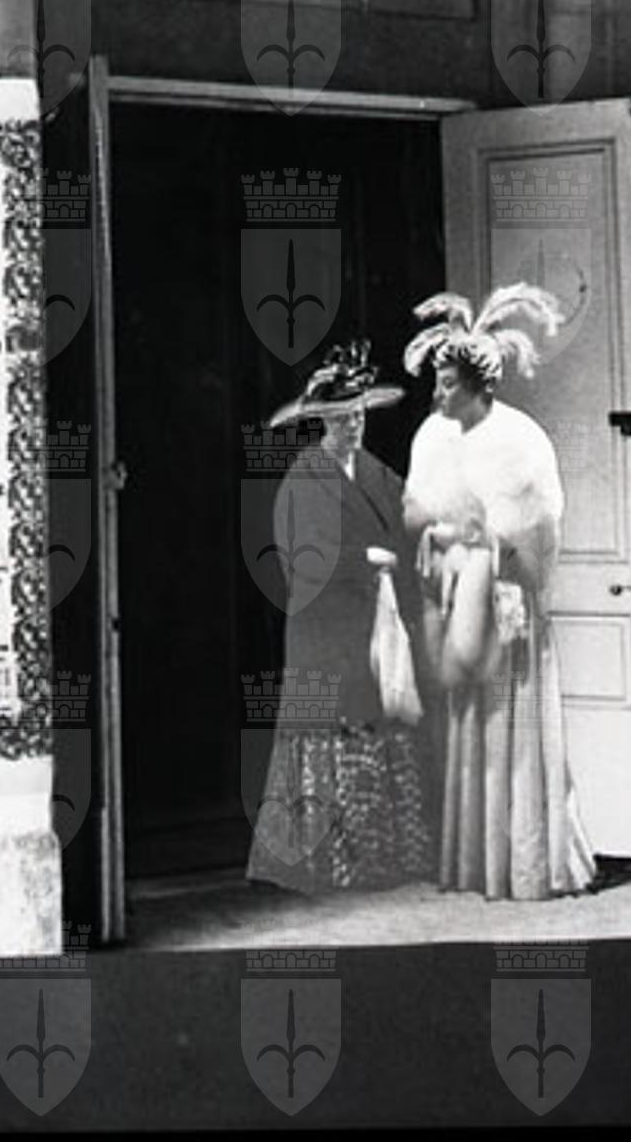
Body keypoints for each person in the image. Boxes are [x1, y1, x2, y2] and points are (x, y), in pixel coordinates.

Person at [402, 286, 598, 900]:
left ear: (478, 386)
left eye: (448, 385)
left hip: (506, 599)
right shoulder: (433, 437)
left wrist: (485, 539)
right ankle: (475, 862)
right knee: (470, 722)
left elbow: (535, 530)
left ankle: (529, 862)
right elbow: (416, 510)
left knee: (513, 720)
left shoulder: (519, 439)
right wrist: (441, 535)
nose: (438, 397)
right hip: (462, 592)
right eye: (436, 385)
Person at [245, 338, 436, 895]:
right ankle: (325, 861)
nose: (352, 426)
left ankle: (379, 857)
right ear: (321, 422)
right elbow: (300, 557)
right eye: (340, 418)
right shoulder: (305, 476)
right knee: (329, 728)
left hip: (372, 619)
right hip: (324, 627)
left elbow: (410, 511)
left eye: (357, 416)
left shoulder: (372, 470)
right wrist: (362, 558)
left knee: (378, 718)